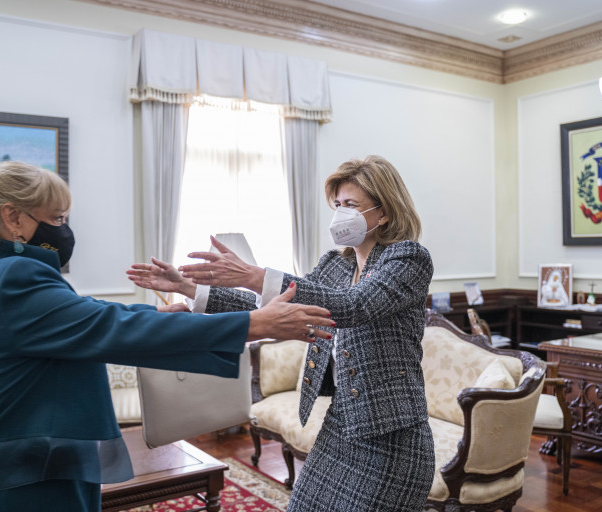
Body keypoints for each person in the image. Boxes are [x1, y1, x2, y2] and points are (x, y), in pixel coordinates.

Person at [0, 159, 332, 512]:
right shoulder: (15, 277)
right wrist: (255, 324)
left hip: (18, 470)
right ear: (12, 217)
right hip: (21, 481)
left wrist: (157, 312)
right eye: (57, 219)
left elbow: (87, 315)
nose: (63, 230)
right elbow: (110, 327)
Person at [128, 155, 435, 511]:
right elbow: (277, 305)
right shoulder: (336, 264)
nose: (340, 213)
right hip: (344, 422)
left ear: (383, 213)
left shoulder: (408, 259)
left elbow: (353, 306)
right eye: (337, 205)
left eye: (351, 205)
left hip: (393, 431)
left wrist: (255, 275)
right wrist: (191, 289)